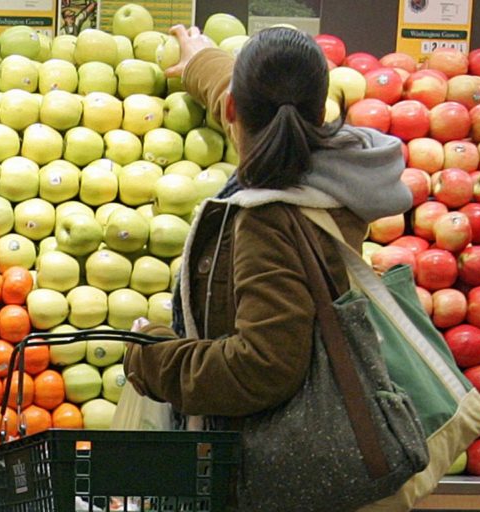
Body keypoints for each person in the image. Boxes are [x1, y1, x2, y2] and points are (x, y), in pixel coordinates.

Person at [122, 24, 413, 508]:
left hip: (273, 481)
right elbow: (260, 108)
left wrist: (151, 358)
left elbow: (264, 366)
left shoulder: (268, 218)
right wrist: (202, 62)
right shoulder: (340, 166)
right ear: (321, 111)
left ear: (234, 110)